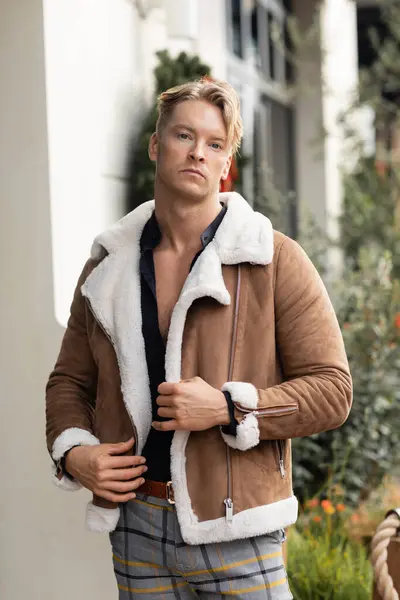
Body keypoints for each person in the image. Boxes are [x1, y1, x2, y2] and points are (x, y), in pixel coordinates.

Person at [45, 78, 352, 599]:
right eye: (184, 136)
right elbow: (69, 380)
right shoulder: (106, 266)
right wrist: (75, 453)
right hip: (136, 526)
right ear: (156, 145)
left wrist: (230, 408)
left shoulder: (273, 260)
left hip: (239, 530)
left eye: (214, 144)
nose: (198, 153)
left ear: (226, 162)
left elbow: (333, 391)